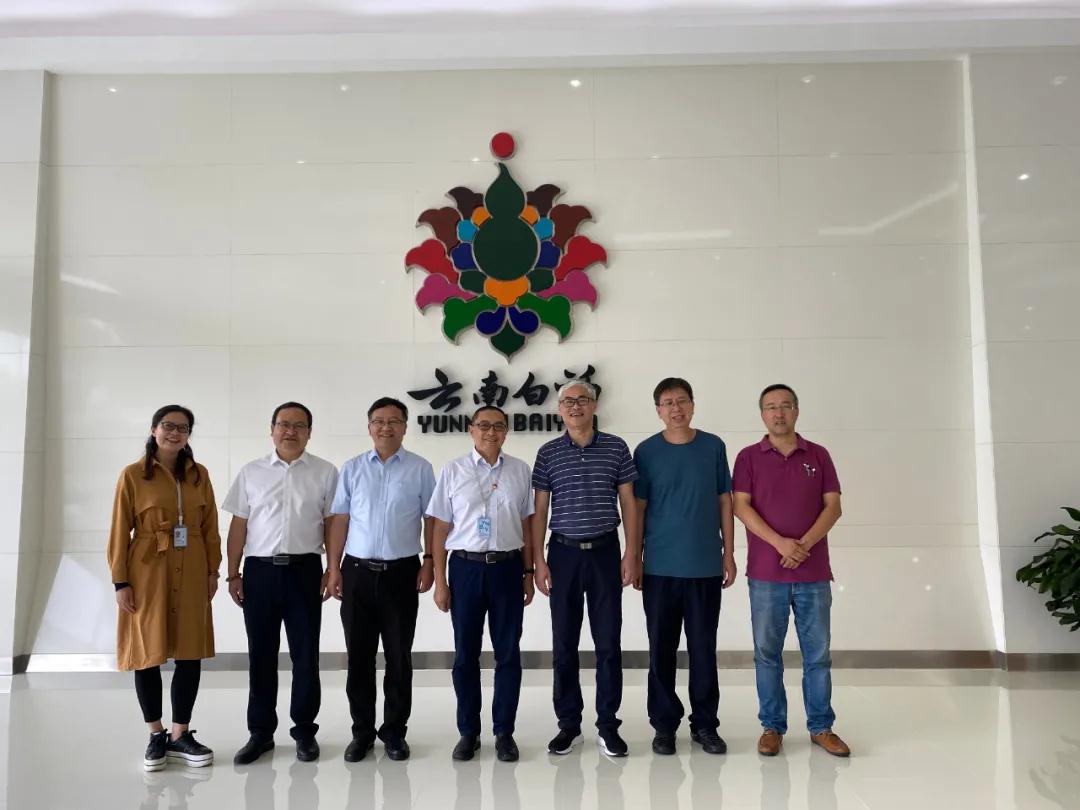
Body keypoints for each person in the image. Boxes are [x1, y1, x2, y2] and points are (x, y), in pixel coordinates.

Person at [732, 384, 849, 758]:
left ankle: (821, 727)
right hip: (766, 574)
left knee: (818, 654)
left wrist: (805, 545)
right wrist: (781, 543)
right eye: (771, 407)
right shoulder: (748, 457)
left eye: (785, 406)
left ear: (796, 411)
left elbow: (833, 507)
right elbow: (741, 506)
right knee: (767, 654)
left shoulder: (818, 455)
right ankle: (772, 727)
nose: (778, 413)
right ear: (762, 414)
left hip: (814, 574)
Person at [223, 402, 339, 765]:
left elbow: (332, 523)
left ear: (309, 432)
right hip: (259, 572)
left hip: (305, 571)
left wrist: (332, 569)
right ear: (272, 429)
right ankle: (260, 733)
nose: (290, 431)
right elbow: (239, 525)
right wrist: (233, 572)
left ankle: (304, 731)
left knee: (306, 654)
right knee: (261, 654)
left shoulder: (325, 472)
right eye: (283, 424)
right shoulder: (251, 472)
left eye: (299, 425)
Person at [107, 404, 221, 771]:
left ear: (188, 435)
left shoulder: (199, 475)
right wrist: (120, 580)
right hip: (147, 570)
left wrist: (213, 570)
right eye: (168, 426)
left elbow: (210, 526)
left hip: (192, 567)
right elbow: (119, 530)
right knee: (147, 650)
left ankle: (180, 734)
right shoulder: (132, 475)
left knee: (190, 650)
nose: (174, 433)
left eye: (182, 428)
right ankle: (155, 733)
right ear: (154, 430)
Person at [531, 379, 640, 757]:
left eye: (582, 400)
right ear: (560, 409)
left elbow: (628, 503)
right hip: (563, 554)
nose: (575, 406)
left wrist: (632, 552)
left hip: (606, 552)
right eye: (568, 401)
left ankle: (608, 725)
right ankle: (569, 725)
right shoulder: (548, 453)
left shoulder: (616, 447)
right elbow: (540, 510)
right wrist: (538, 560)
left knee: (609, 642)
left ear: (594, 405)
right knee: (564, 643)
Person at [324, 397, 436, 763]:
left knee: (398, 657)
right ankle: (361, 733)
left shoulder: (420, 469)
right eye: (379, 421)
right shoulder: (353, 468)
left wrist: (430, 562)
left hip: (402, 573)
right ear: (369, 427)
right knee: (359, 658)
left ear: (405, 427)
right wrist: (334, 567)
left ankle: (394, 733)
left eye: (394, 421)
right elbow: (340, 520)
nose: (386, 427)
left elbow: (432, 519)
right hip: (357, 573)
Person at [632, 378, 737, 756]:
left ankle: (705, 725)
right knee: (661, 649)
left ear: (692, 405)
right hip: (660, 567)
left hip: (705, 565)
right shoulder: (646, 451)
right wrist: (634, 556)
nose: (675, 409)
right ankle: (664, 726)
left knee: (703, 649)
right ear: (658, 410)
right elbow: (638, 507)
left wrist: (729, 553)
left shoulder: (713, 447)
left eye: (681, 401)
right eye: (667, 403)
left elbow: (724, 500)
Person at [426, 405, 535, 763]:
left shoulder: (520, 470)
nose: (491, 432)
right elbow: (440, 528)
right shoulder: (453, 470)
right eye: (483, 425)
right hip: (465, 568)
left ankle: (504, 732)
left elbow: (527, 525)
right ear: (471, 429)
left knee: (508, 654)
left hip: (507, 568)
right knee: (465, 655)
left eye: (498, 426)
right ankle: (468, 732)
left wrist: (529, 572)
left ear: (506, 431)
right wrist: (440, 580)